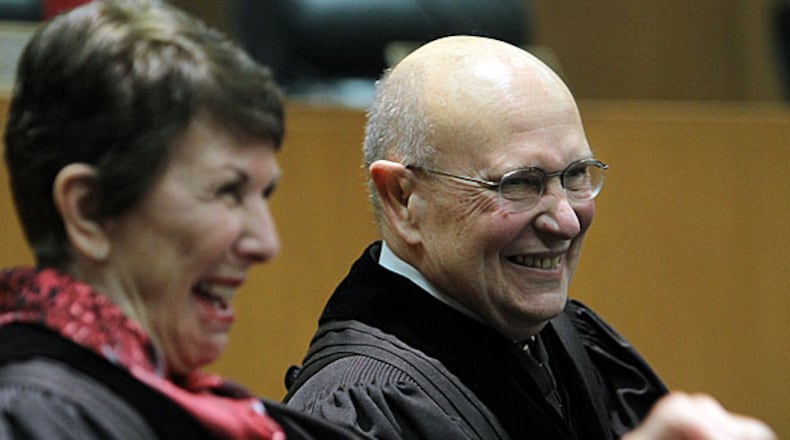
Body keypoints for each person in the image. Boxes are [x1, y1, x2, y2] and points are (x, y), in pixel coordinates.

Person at [283, 36, 777, 440]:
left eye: (577, 174)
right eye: (520, 183)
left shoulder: (569, 340)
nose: (565, 221)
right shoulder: (353, 417)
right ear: (403, 198)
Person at [0, 1, 359, 438]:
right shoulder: (37, 420)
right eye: (228, 191)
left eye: (263, 195)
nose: (266, 243)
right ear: (88, 209)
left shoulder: (202, 409)